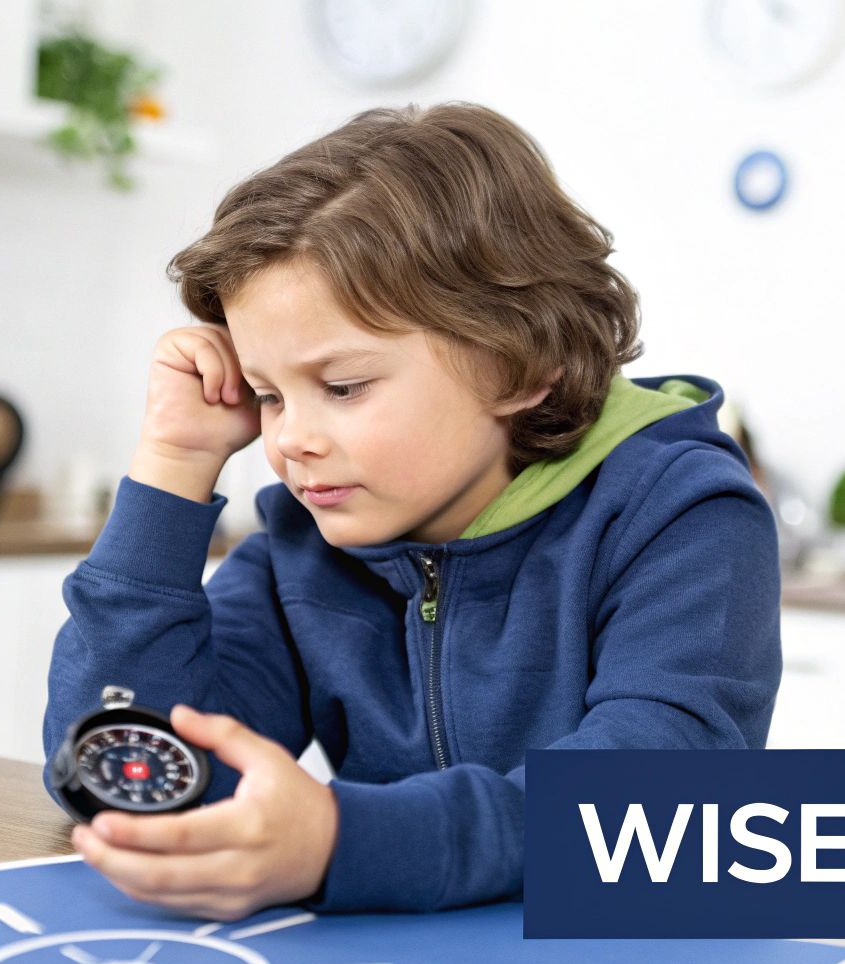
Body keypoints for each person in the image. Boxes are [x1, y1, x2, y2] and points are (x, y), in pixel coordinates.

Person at [43, 101, 782, 919]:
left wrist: (342, 842)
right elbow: (131, 774)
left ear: (520, 362)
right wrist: (174, 464)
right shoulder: (303, 550)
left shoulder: (681, 514)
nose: (291, 441)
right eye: (266, 395)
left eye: (343, 386)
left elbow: (651, 797)